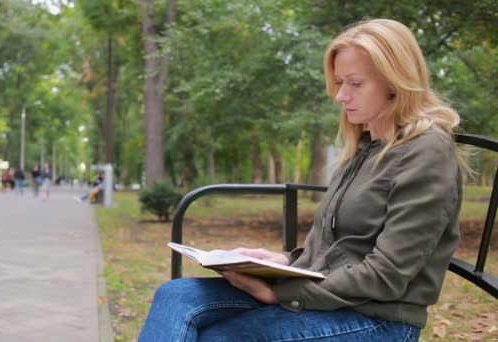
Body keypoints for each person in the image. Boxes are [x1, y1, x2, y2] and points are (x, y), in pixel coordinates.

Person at [139, 19, 467, 341]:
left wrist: (279, 293)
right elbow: (338, 246)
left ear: (395, 83)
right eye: (339, 83)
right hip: (329, 299)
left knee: (219, 337)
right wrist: (282, 261)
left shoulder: (426, 152)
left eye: (355, 83)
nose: (340, 96)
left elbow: (387, 276)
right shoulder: (366, 147)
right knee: (177, 295)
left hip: (379, 320)